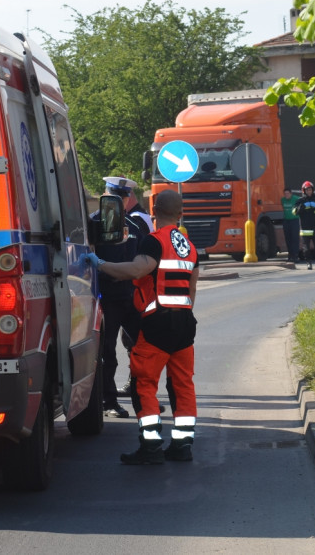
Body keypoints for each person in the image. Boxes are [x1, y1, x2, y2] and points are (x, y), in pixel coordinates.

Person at [85, 190, 199, 465]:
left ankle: (151, 447)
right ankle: (182, 445)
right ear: (181, 213)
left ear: (154, 210)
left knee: (143, 384)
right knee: (183, 385)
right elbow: (192, 290)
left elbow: (137, 270)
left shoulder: (154, 241)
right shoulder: (190, 246)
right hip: (185, 324)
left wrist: (100, 264)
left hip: (158, 324)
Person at [92, 176, 150, 418]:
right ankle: (109, 402)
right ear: (107, 197)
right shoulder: (93, 224)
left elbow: (142, 262)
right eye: (117, 197)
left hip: (129, 295)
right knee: (107, 353)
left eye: (125, 198)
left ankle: (142, 397)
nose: (122, 202)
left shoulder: (134, 227)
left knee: (144, 347)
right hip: (105, 298)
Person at [281, 188, 301, 262]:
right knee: (288, 239)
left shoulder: (296, 198)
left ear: (291, 193)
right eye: (285, 194)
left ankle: (295, 256)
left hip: (294, 220)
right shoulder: (282, 200)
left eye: (288, 194)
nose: (286, 195)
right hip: (286, 221)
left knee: (295, 239)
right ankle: (290, 255)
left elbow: (301, 202)